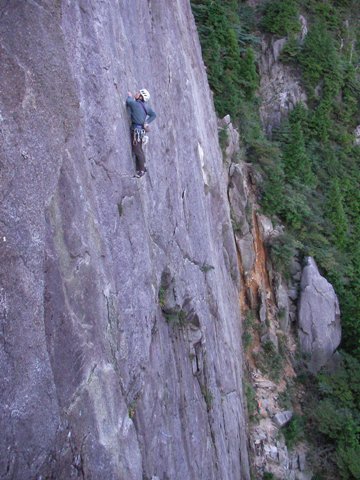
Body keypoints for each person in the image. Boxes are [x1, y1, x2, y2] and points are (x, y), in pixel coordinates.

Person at [126, 89, 156, 177]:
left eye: (138, 93)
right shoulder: (146, 107)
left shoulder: (135, 104)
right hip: (140, 131)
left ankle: (141, 170)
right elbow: (153, 115)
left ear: (140, 96)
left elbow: (129, 101)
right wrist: (147, 122)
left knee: (137, 150)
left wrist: (129, 96)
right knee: (139, 149)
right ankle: (143, 166)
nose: (136, 93)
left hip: (136, 130)